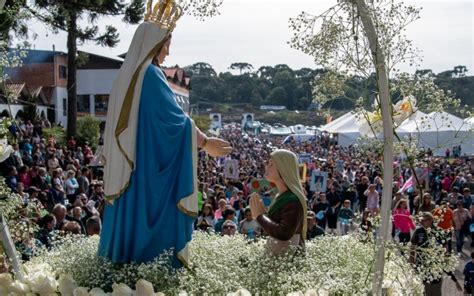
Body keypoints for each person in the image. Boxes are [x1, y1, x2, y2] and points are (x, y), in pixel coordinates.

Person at [99, 2, 232, 267]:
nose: (168, 51)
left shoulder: (127, 77)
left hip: (134, 166)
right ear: (153, 42)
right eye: (166, 43)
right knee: (152, 232)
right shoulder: (150, 74)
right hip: (146, 171)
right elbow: (177, 122)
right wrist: (206, 143)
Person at [249, 149, 307, 255]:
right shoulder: (280, 196)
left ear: (283, 168)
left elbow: (284, 233)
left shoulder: (292, 200)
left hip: (286, 258)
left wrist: (260, 216)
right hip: (277, 256)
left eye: (271, 164)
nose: (266, 167)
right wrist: (264, 215)